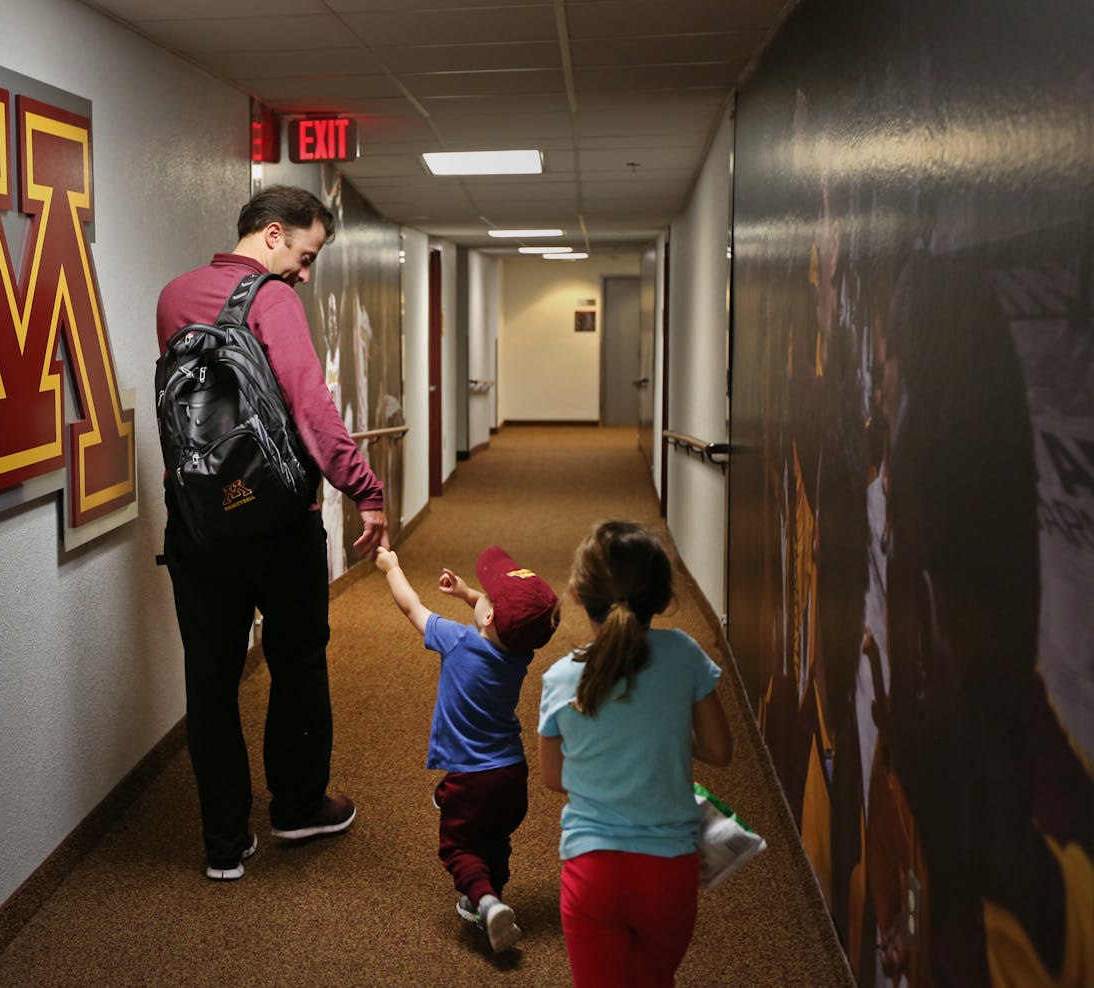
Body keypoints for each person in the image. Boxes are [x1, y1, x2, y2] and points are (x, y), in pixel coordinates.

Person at [156, 185, 389, 881]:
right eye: (306, 254)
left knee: (210, 677)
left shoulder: (173, 296)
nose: (305, 273)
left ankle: (224, 844)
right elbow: (310, 408)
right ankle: (297, 805)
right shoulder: (272, 299)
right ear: (273, 234)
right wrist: (365, 490)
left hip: (197, 521)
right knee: (296, 660)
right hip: (279, 521)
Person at [537, 521, 733, 987]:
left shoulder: (561, 679)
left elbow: (553, 777)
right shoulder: (686, 655)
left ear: (577, 594)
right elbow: (719, 750)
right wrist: (662, 737)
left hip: (593, 873)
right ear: (664, 599)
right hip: (669, 877)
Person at [375, 544, 560, 953]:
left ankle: (485, 900)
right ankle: (491, 893)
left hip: (472, 777)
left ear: (490, 616)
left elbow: (411, 608)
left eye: (486, 596)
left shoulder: (456, 640)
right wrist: (467, 594)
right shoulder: (521, 653)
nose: (482, 595)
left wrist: (391, 567)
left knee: (460, 845)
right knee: (495, 836)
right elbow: (502, 620)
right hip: (512, 774)